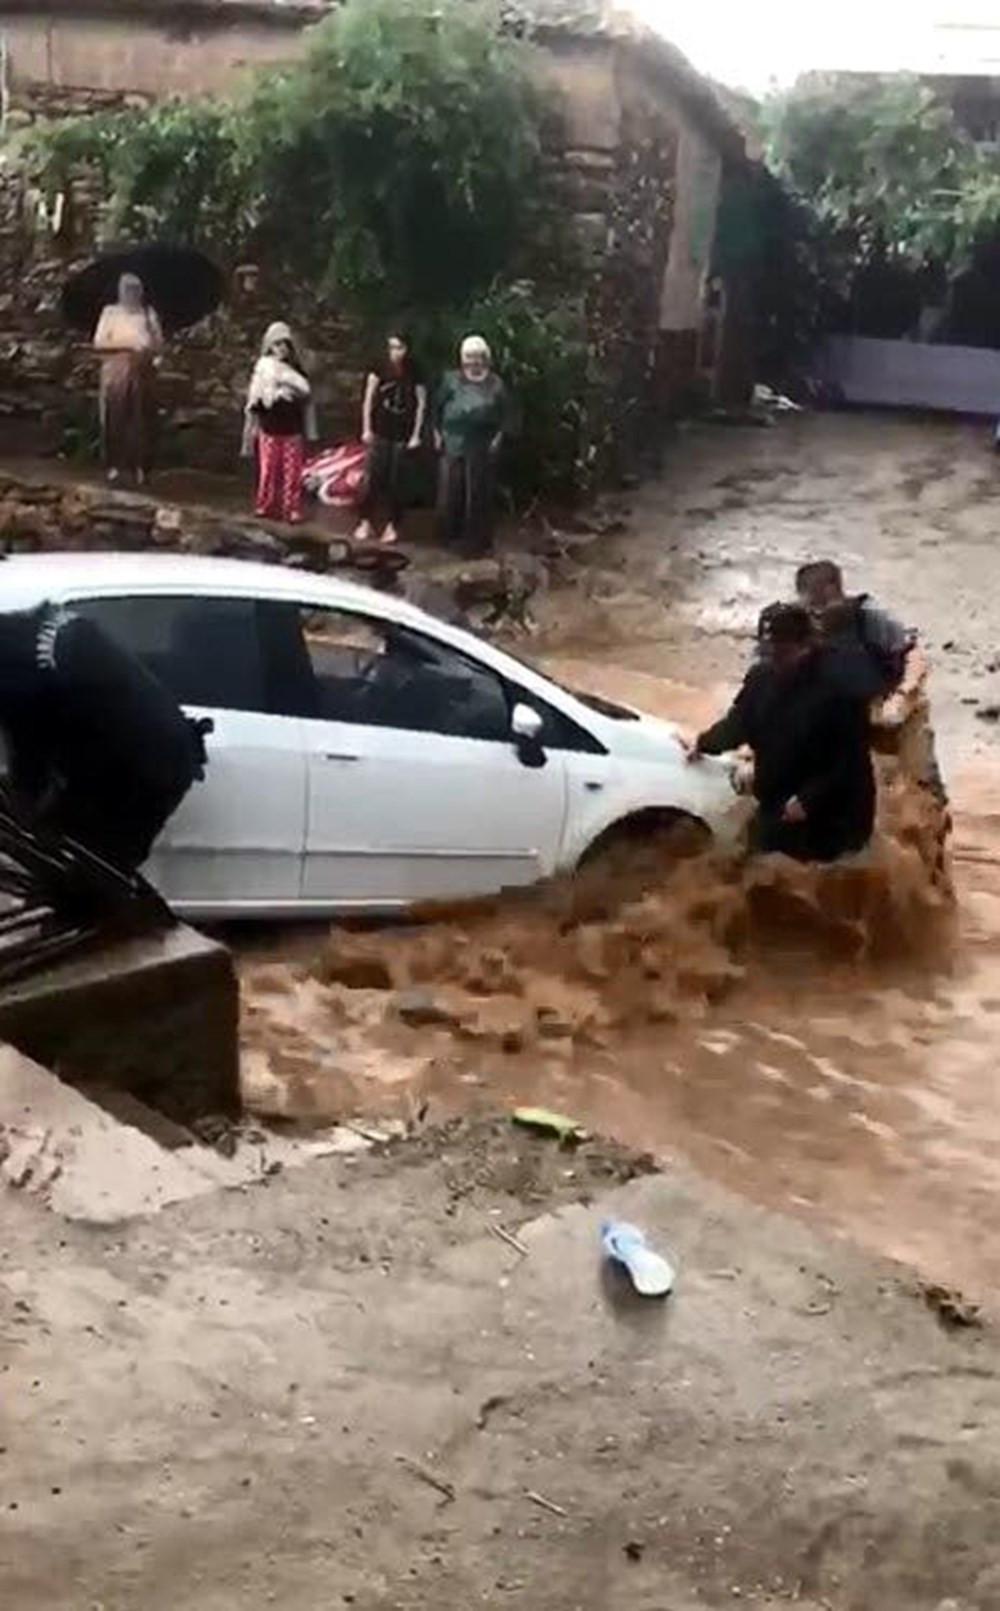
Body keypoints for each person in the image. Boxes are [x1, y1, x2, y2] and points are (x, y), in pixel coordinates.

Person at [689, 603, 876, 863]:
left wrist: (809, 800)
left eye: (783, 653)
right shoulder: (761, 677)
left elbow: (850, 758)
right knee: (755, 869)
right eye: (769, 653)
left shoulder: (841, 687)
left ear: (806, 645)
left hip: (833, 813)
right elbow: (740, 722)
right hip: (777, 798)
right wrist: (703, 743)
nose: (775, 662)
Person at [794, 559, 946, 809]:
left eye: (822, 607)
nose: (818, 618)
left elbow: (914, 658)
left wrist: (901, 695)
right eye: (812, 609)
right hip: (840, 712)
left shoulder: (871, 619)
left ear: (836, 592)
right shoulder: (799, 627)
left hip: (890, 707)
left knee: (920, 778)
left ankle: (936, 811)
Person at [435, 335, 508, 555]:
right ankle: (449, 537)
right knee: (451, 489)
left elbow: (506, 415)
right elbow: (436, 407)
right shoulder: (451, 379)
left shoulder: (496, 384)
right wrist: (437, 434)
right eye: (469, 356)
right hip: (453, 438)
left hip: (481, 441)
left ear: (485, 358)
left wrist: (498, 438)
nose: (473, 360)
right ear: (462, 358)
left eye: (477, 356)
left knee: (477, 493)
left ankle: (476, 542)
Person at [354, 332, 427, 546]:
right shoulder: (379, 366)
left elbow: (421, 404)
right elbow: (368, 398)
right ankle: (365, 521)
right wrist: (366, 428)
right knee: (372, 479)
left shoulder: (416, 370)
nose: (396, 353)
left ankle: (392, 525)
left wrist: (416, 434)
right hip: (380, 430)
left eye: (400, 348)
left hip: (402, 434)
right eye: (392, 348)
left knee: (397, 482)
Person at [92, 273, 163, 486]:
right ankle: (114, 466)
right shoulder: (110, 313)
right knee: (115, 417)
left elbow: (159, 343)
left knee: (143, 418)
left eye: (136, 289)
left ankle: (142, 467)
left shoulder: (148, 314)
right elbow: (100, 343)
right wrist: (126, 345)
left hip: (142, 370)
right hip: (116, 369)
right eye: (128, 289)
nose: (132, 293)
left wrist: (148, 350)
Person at [243, 322, 316, 524]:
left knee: (292, 472)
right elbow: (255, 399)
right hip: (270, 428)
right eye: (277, 345)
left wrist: (288, 387)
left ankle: (291, 508)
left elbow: (306, 396)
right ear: (270, 346)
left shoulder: (296, 371)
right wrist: (257, 412)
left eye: (285, 345)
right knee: (268, 470)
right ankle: (265, 505)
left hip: (291, 428)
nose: (281, 349)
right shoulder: (263, 369)